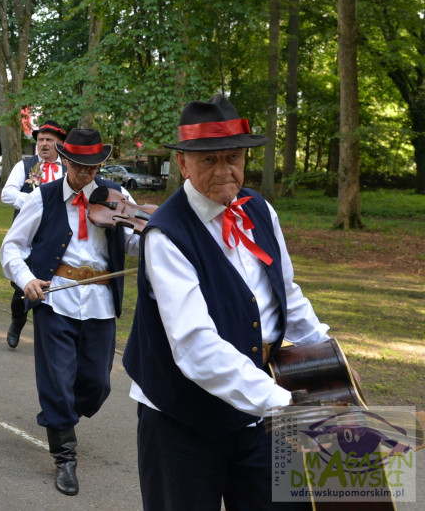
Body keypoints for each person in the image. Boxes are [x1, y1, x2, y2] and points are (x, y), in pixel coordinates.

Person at [122, 93, 330, 511]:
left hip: (261, 407)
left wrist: (329, 356)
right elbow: (196, 347)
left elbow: (286, 294)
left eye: (232, 158)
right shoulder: (166, 234)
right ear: (183, 163)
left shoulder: (260, 209)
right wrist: (284, 403)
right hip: (181, 419)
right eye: (208, 161)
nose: (224, 172)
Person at [0, 127, 139, 496]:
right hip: (55, 299)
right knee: (57, 380)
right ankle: (64, 456)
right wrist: (26, 279)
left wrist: (153, 236)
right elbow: (11, 248)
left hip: (100, 302)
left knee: (97, 385)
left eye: (93, 167)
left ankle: (60, 417)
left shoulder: (116, 195)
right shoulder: (42, 197)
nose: (86, 174)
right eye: (79, 165)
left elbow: (135, 243)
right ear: (64, 161)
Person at [0, 120, 67, 349]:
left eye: (49, 140)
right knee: (21, 288)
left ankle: (51, 334)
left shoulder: (68, 168)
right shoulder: (25, 165)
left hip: (57, 239)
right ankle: (17, 322)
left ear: (60, 143)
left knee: (54, 284)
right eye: (40, 140)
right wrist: (34, 202)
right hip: (27, 237)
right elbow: (7, 194)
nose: (44, 144)